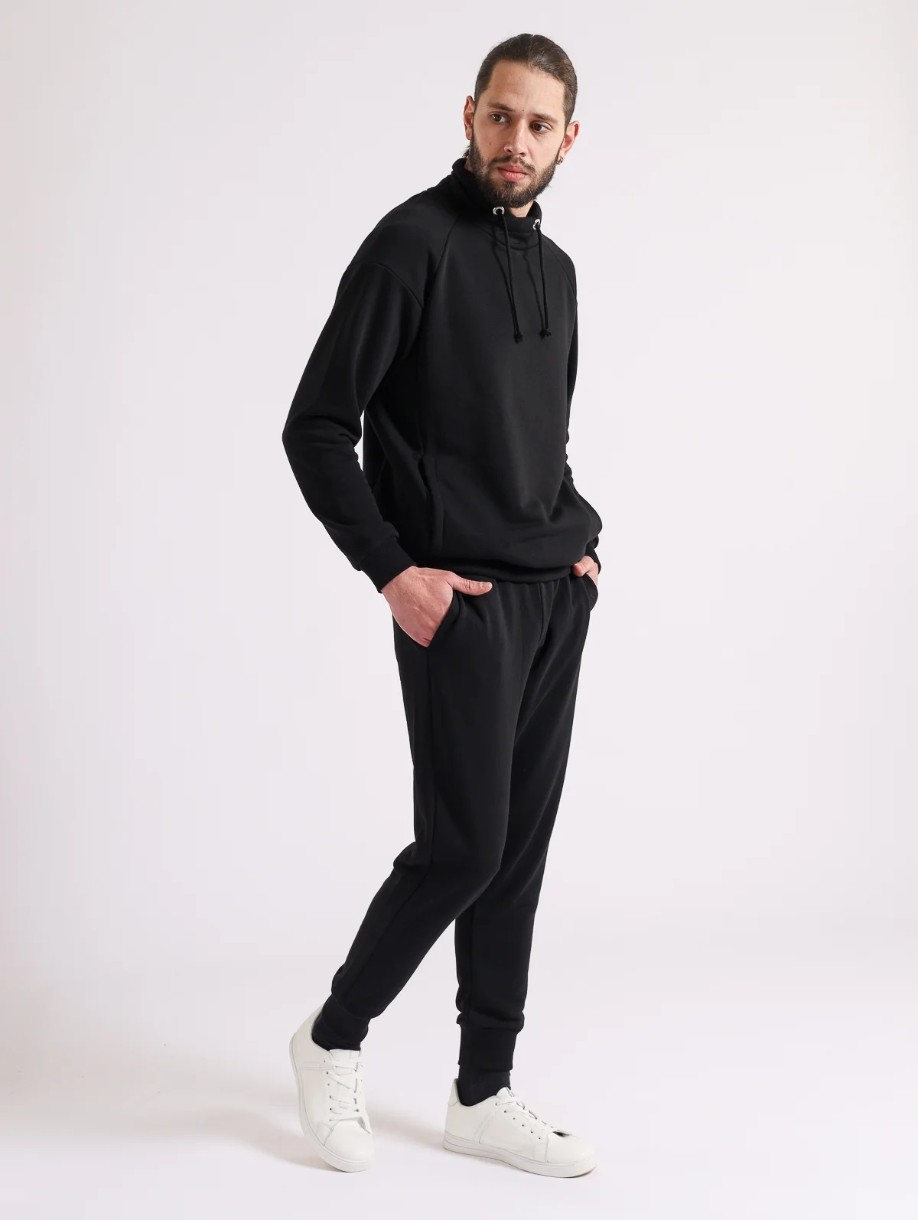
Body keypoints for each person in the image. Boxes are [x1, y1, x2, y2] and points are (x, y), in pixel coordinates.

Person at [282, 32, 602, 1177]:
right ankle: (332, 1036)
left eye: (539, 124)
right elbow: (318, 425)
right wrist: (392, 568)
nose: (517, 141)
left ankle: (482, 1088)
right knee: (462, 845)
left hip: (552, 597)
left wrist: (578, 539)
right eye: (500, 116)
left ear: (569, 139)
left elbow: (540, 438)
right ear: (470, 115)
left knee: (515, 852)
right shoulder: (409, 243)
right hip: (454, 599)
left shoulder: (558, 275)